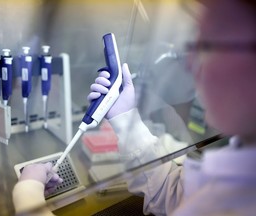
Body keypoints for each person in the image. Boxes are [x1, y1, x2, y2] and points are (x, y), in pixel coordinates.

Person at [13, 0, 256, 215]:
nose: (190, 62)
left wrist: (27, 195)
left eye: (209, 45)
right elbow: (173, 194)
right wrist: (123, 115)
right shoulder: (243, 163)